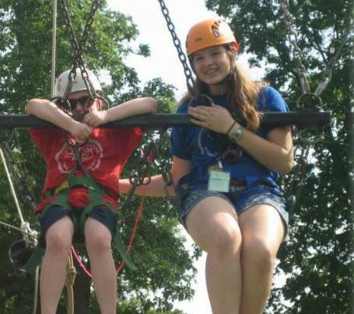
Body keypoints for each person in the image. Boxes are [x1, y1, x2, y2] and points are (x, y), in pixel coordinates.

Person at [120, 18, 292, 314]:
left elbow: (284, 161)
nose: (207, 63)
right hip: (206, 190)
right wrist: (122, 185)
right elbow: (178, 179)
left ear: (232, 51)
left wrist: (233, 129)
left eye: (214, 53)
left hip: (258, 190)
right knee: (226, 236)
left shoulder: (264, 97)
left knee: (261, 250)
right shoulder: (188, 110)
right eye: (199, 58)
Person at [26, 68, 158, 314]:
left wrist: (105, 115)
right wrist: (68, 124)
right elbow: (33, 105)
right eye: (70, 103)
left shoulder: (113, 132)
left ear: (98, 100)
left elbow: (150, 104)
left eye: (85, 101)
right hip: (61, 200)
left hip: (99, 201)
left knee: (99, 238)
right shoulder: (56, 133)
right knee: (56, 238)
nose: (78, 109)